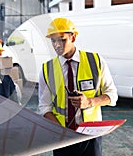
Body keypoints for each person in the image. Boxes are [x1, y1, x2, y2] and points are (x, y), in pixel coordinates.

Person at [38, 18, 118, 156]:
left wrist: (90, 102)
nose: (57, 45)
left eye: (62, 40)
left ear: (73, 37)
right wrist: (62, 131)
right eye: (53, 40)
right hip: (62, 137)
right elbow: (44, 107)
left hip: (91, 136)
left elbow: (112, 95)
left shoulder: (95, 61)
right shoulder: (47, 69)